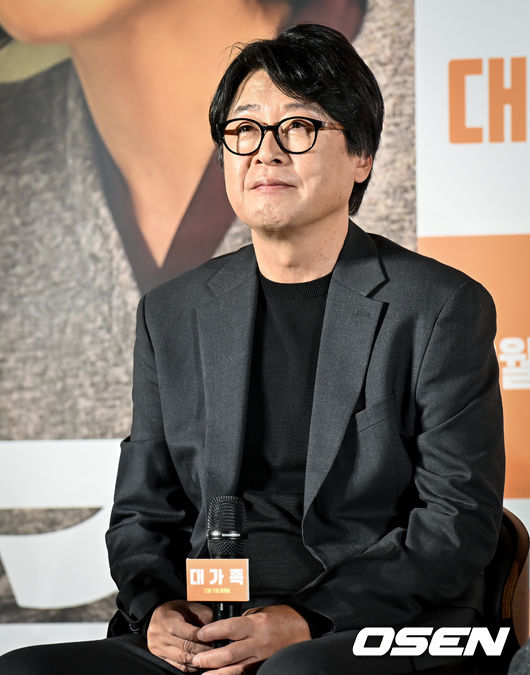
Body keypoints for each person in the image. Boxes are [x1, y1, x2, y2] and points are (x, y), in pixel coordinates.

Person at [0, 22, 505, 675]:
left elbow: (456, 521)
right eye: (243, 130)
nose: (265, 152)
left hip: (365, 621)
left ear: (361, 155)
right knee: (26, 671)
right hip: (213, 623)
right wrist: (158, 608)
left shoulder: (438, 306)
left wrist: (306, 620)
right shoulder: (172, 312)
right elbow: (143, 512)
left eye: (297, 127)